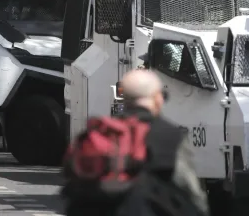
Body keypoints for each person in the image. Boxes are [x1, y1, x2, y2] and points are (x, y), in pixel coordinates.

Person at [62, 69, 209, 216]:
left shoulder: (96, 133)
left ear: (123, 98)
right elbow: (191, 191)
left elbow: (71, 179)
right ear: (157, 98)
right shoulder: (170, 136)